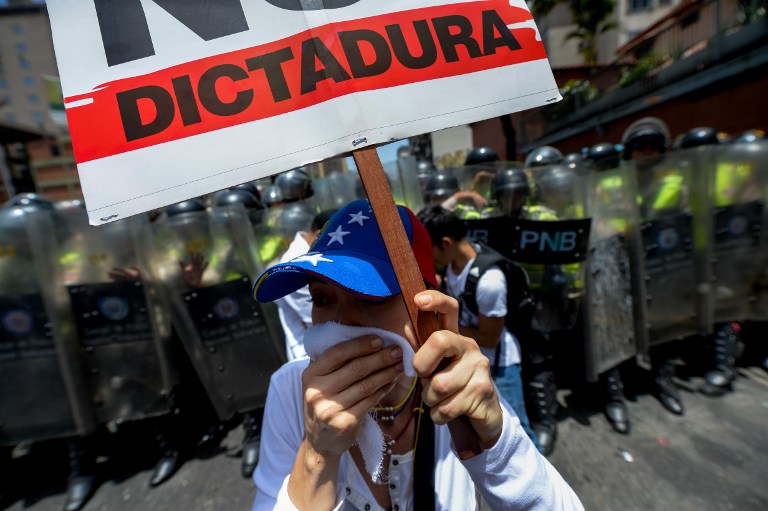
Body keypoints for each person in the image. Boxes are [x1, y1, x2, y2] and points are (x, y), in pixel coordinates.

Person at [251, 199, 584, 511]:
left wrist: (497, 445)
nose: (341, 324)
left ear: (429, 304)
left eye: (370, 297)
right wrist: (316, 455)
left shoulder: (457, 388)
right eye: (322, 299)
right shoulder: (290, 390)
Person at [416, 205, 540, 450]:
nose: (430, 259)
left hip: (501, 365)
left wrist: (446, 328)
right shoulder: (452, 266)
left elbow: (490, 337)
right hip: (476, 358)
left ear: (445, 242)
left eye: (430, 251)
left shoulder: (490, 281)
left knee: (516, 427)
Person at [275, 209, 337, 361]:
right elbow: (321, 320)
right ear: (319, 234)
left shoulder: (317, 254)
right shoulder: (294, 264)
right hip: (309, 355)